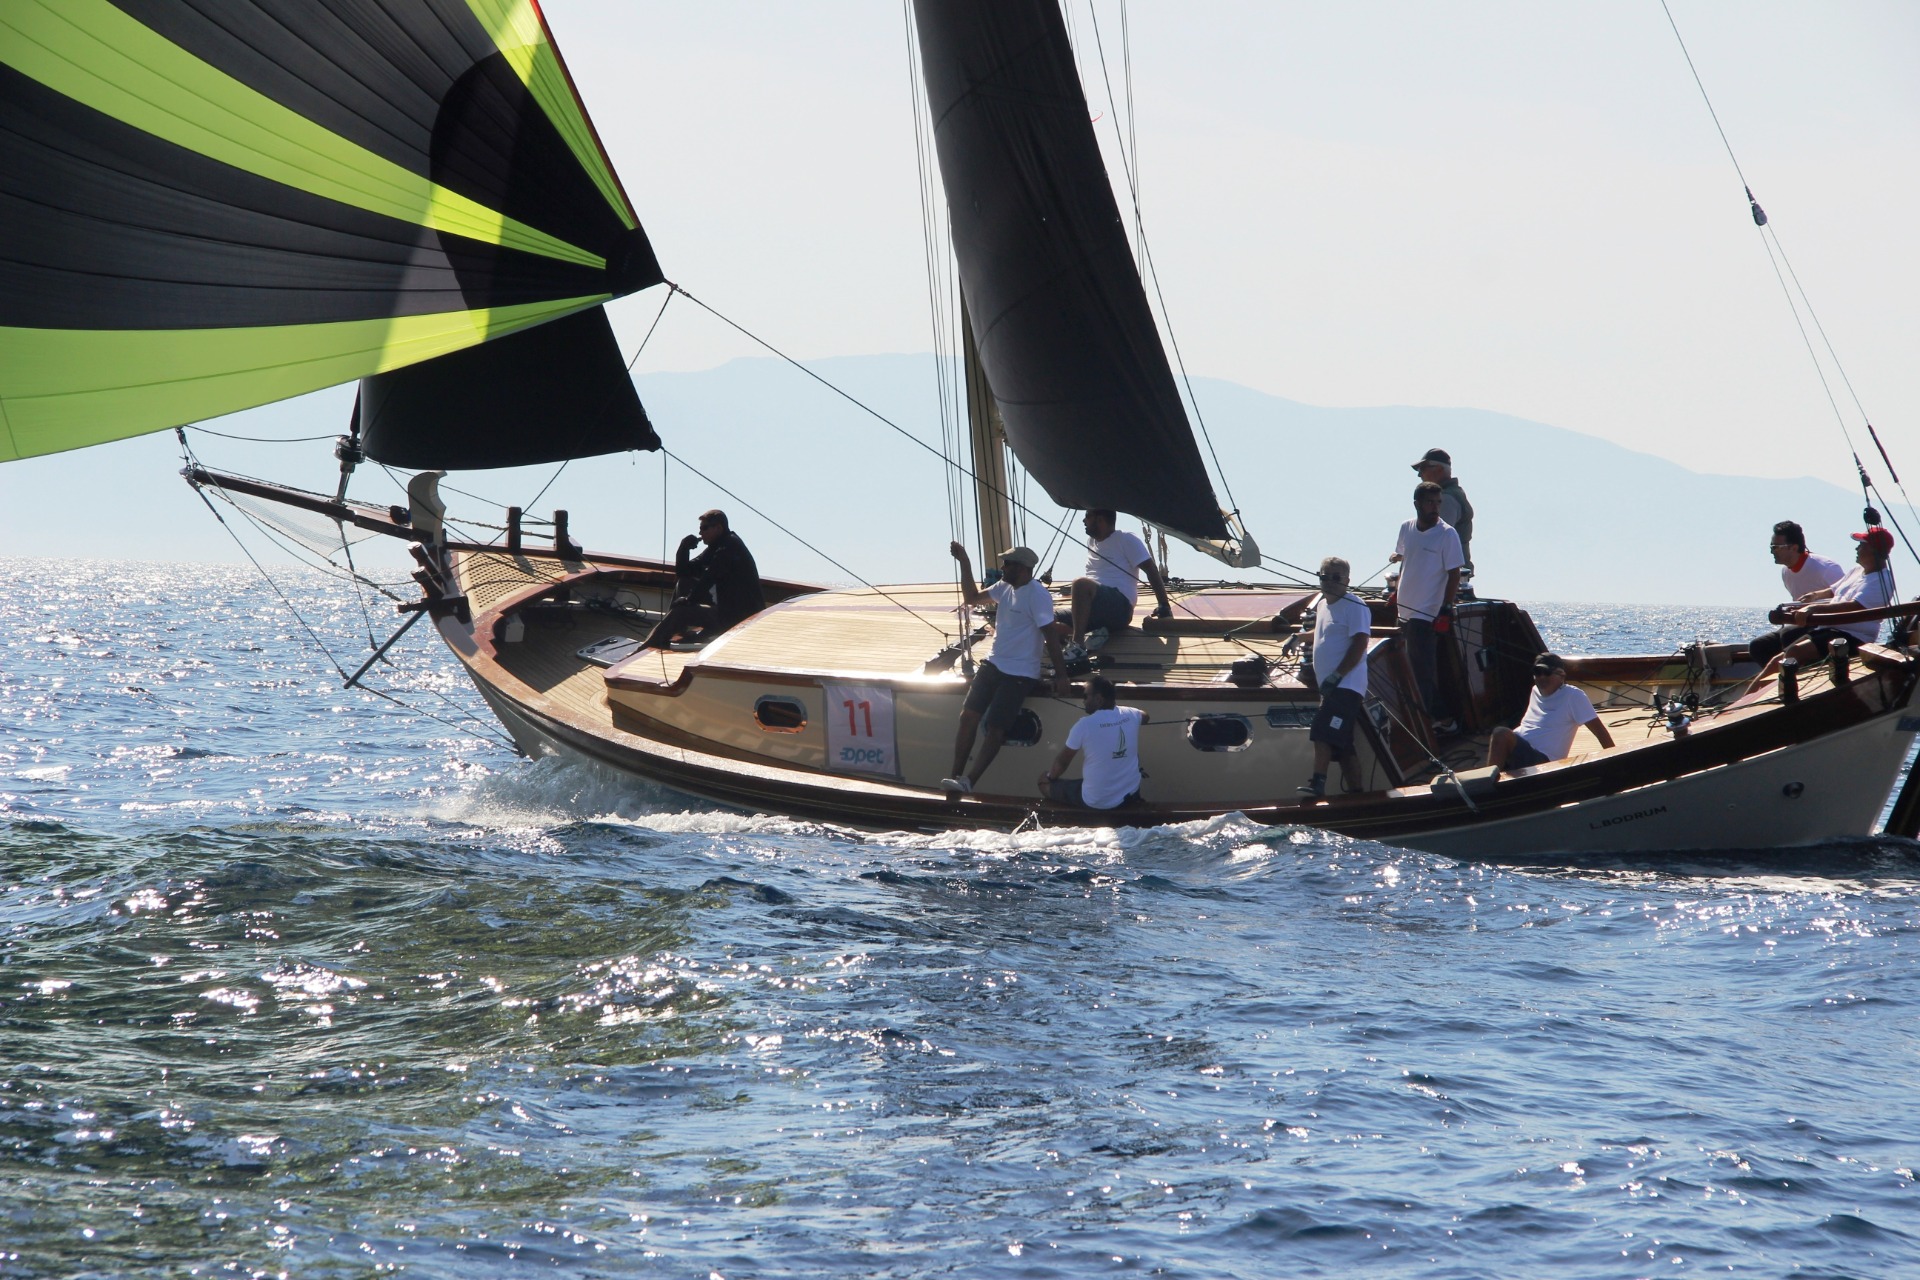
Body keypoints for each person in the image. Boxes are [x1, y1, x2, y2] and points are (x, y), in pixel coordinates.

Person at [941, 543, 1069, 796]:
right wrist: (964, 561)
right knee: (968, 716)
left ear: (1021, 568)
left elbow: (1050, 635)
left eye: (1007, 564)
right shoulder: (1004, 587)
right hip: (994, 663)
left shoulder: (1037, 595)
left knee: (996, 728)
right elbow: (972, 599)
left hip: (1020, 673)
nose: (1002, 567)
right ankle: (954, 776)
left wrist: (1062, 675)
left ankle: (969, 781)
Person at [1274, 556, 1372, 798]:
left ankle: (1317, 784)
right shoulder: (1323, 606)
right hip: (1330, 688)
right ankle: (1357, 795)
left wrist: (1337, 675)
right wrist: (1297, 637)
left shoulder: (1355, 605)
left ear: (1347, 581)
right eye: (1324, 576)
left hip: (1345, 686)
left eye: (1335, 577)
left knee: (1321, 730)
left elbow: (1361, 642)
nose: (1329, 581)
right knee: (1343, 744)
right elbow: (1321, 634)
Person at [1388, 480, 1464, 734]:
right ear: (1417, 504)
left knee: (1422, 672)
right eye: (1430, 502)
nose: (1435, 507)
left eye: (1438, 502)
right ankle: (1427, 719)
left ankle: (1438, 720)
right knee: (1407, 669)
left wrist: (1445, 608)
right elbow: (1402, 559)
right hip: (1403, 611)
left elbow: (1454, 575)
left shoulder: (1447, 533)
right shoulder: (1406, 528)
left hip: (1427, 614)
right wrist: (1396, 591)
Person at [1765, 526, 1895, 668]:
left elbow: (1854, 606)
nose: (1857, 549)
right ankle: (1753, 691)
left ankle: (1787, 688)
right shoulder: (1857, 571)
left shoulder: (1882, 581)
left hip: (1853, 637)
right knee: (1778, 659)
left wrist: (1813, 608)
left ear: (1874, 551)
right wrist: (1814, 596)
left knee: (1794, 653)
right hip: (1831, 630)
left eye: (1861, 545)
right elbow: (1834, 590)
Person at [642, 509, 765, 649]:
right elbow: (685, 572)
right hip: (727, 610)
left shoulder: (729, 547)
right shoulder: (718, 545)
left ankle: (650, 646)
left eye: (704, 528)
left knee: (681, 612)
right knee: (685, 583)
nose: (700, 533)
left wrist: (688, 601)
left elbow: (709, 579)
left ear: (718, 528)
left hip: (740, 619)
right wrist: (684, 549)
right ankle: (679, 632)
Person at [1065, 509, 1173, 654]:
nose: (1084, 521)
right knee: (1047, 618)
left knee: (1080, 584)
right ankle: (1079, 638)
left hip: (1120, 606)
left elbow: (1151, 569)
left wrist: (1164, 605)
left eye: (1087, 517)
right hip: (1094, 608)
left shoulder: (1126, 539)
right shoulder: (1091, 542)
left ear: (1100, 520)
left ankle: (1077, 646)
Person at [1488, 652, 1615, 774]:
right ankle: (1491, 780)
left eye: (1547, 672)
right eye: (1537, 672)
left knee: (1500, 733)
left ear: (1561, 676)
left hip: (1544, 760)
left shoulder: (1573, 696)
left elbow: (1600, 732)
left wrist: (1615, 761)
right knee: (1500, 739)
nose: (1542, 677)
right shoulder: (1535, 690)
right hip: (1524, 750)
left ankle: (1486, 785)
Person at [1747, 520, 1849, 667]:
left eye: (1775, 547)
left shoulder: (1825, 568)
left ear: (1794, 548)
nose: (1771, 551)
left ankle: (1796, 680)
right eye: (1771, 546)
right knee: (1758, 647)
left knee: (1788, 635)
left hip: (1830, 628)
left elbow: (1845, 598)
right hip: (1804, 623)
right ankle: (1781, 682)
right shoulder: (1786, 572)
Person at [1037, 675, 1147, 809]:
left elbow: (1062, 762)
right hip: (1130, 795)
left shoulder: (1084, 725)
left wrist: (1050, 777)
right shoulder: (1132, 714)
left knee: (1043, 782)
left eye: (1085, 696)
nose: (1083, 701)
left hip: (1097, 800)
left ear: (1099, 699)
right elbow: (1145, 716)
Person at [1413, 448, 1474, 577]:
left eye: (1423, 469)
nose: (1419, 475)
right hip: (1451, 572)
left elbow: (1436, 538)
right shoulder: (1454, 493)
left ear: (1439, 469)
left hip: (1444, 575)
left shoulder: (1446, 499)